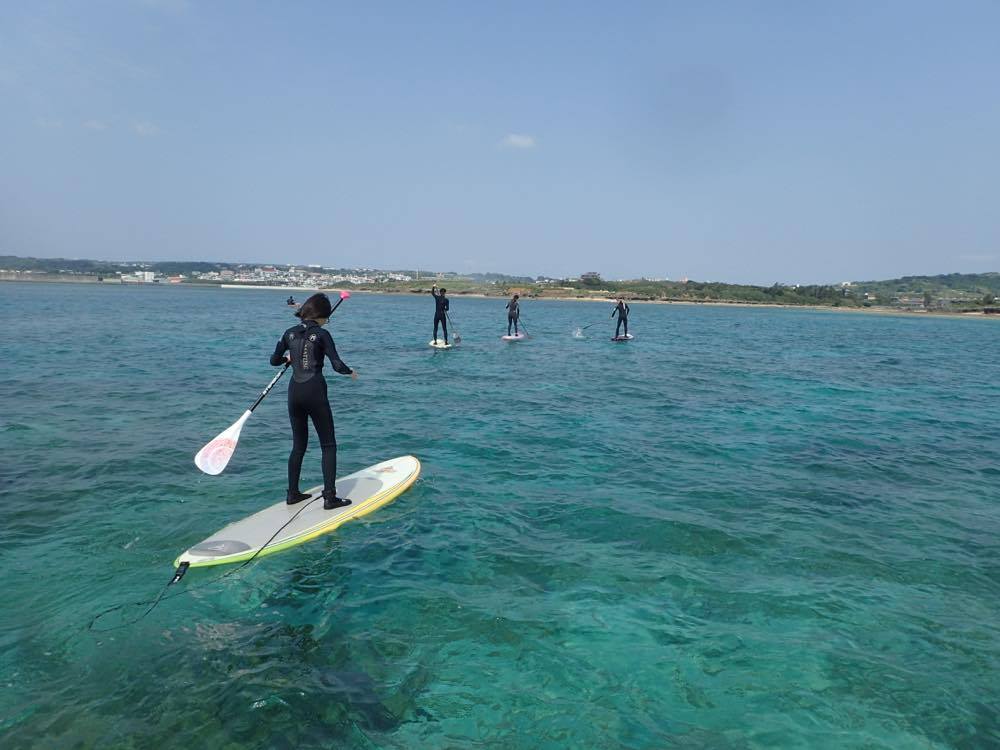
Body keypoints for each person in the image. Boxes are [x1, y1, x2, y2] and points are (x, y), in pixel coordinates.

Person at [269, 293, 358, 509]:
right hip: (315, 391)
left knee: (298, 445)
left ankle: (292, 494)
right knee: (328, 445)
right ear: (321, 315)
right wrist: (351, 372)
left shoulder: (289, 333)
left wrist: (287, 359)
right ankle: (330, 497)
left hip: (295, 392)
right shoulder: (322, 334)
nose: (328, 320)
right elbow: (337, 365)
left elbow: (273, 361)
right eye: (327, 316)